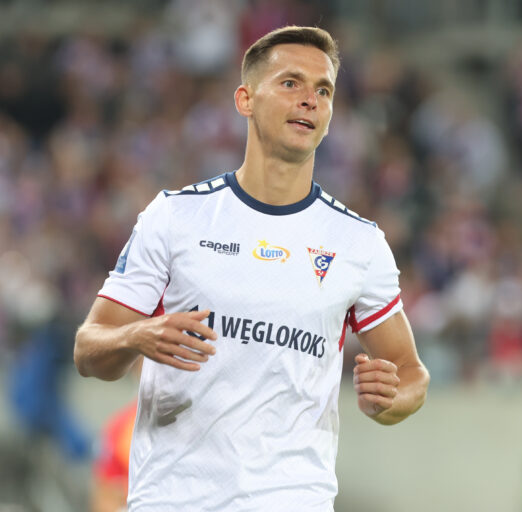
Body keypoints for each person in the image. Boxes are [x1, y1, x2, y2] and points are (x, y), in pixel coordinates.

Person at [74, 25, 429, 511]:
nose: (309, 100)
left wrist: (390, 400)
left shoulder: (358, 243)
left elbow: (411, 374)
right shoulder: (175, 218)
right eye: (291, 83)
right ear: (245, 99)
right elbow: (89, 349)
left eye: (323, 90)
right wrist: (137, 336)